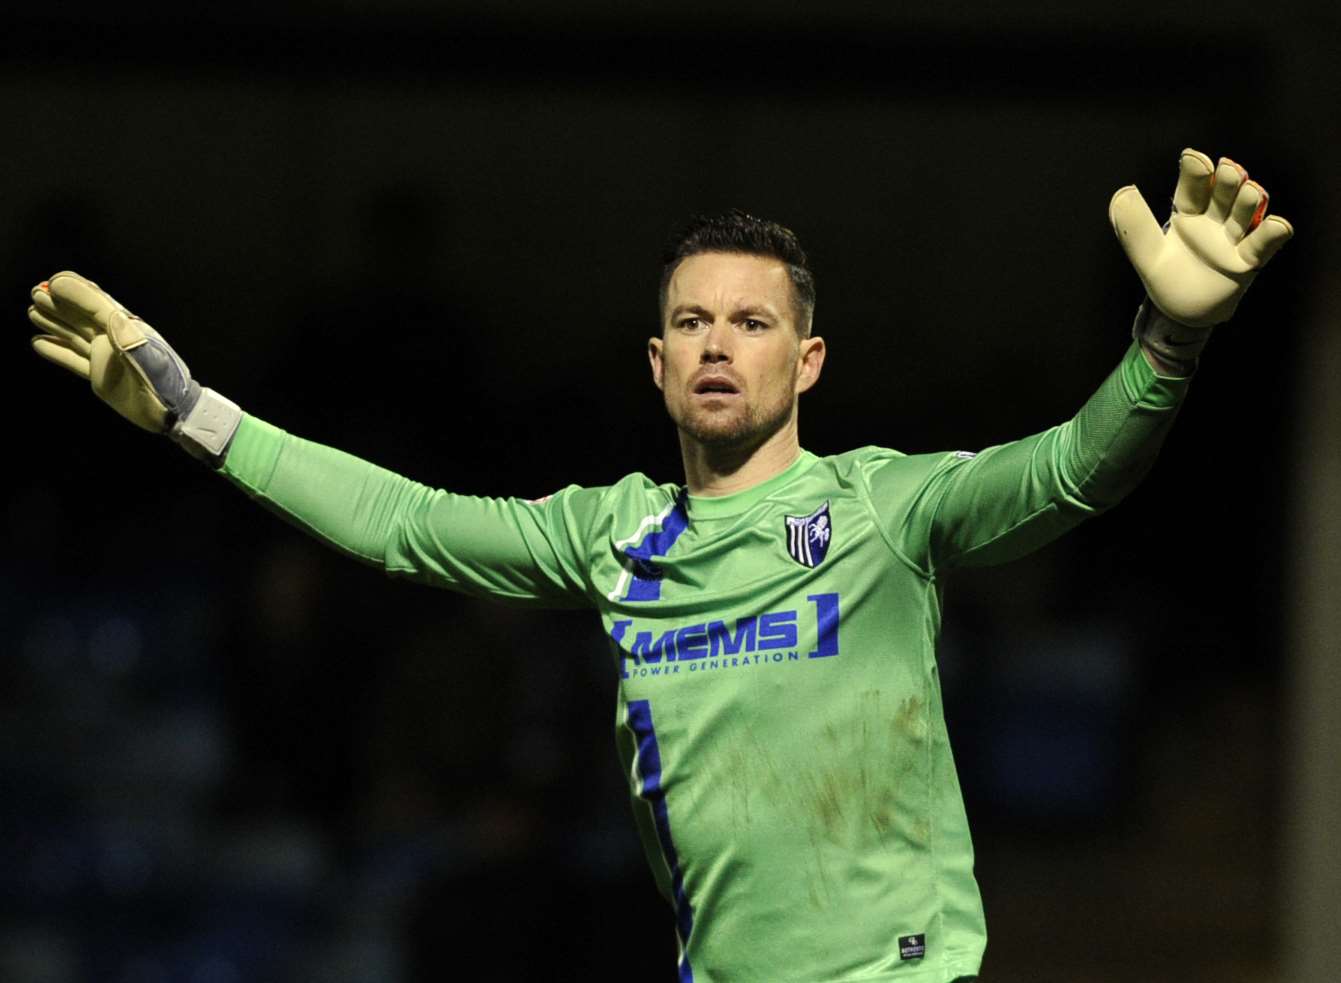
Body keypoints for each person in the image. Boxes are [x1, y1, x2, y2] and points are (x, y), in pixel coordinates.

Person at [25, 148, 1292, 983]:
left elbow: (1079, 466)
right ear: (656, 362)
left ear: (808, 363)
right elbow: (401, 521)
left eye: (753, 322)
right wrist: (196, 411)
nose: (718, 345)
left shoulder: (885, 509)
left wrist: (1171, 336)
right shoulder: (608, 532)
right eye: (692, 321)